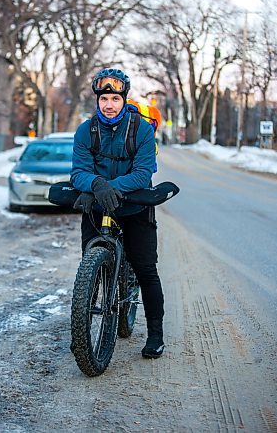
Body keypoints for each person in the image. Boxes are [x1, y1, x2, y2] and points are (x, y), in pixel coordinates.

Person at [70, 67, 165, 358]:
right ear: (97, 101)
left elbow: (142, 172)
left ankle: (155, 334)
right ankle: (83, 326)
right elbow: (78, 172)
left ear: (124, 99)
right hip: (98, 206)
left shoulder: (142, 130)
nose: (109, 105)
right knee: (89, 263)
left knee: (146, 269)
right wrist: (97, 185)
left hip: (134, 205)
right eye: (103, 99)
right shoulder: (86, 130)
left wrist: (110, 186)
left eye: (114, 98)